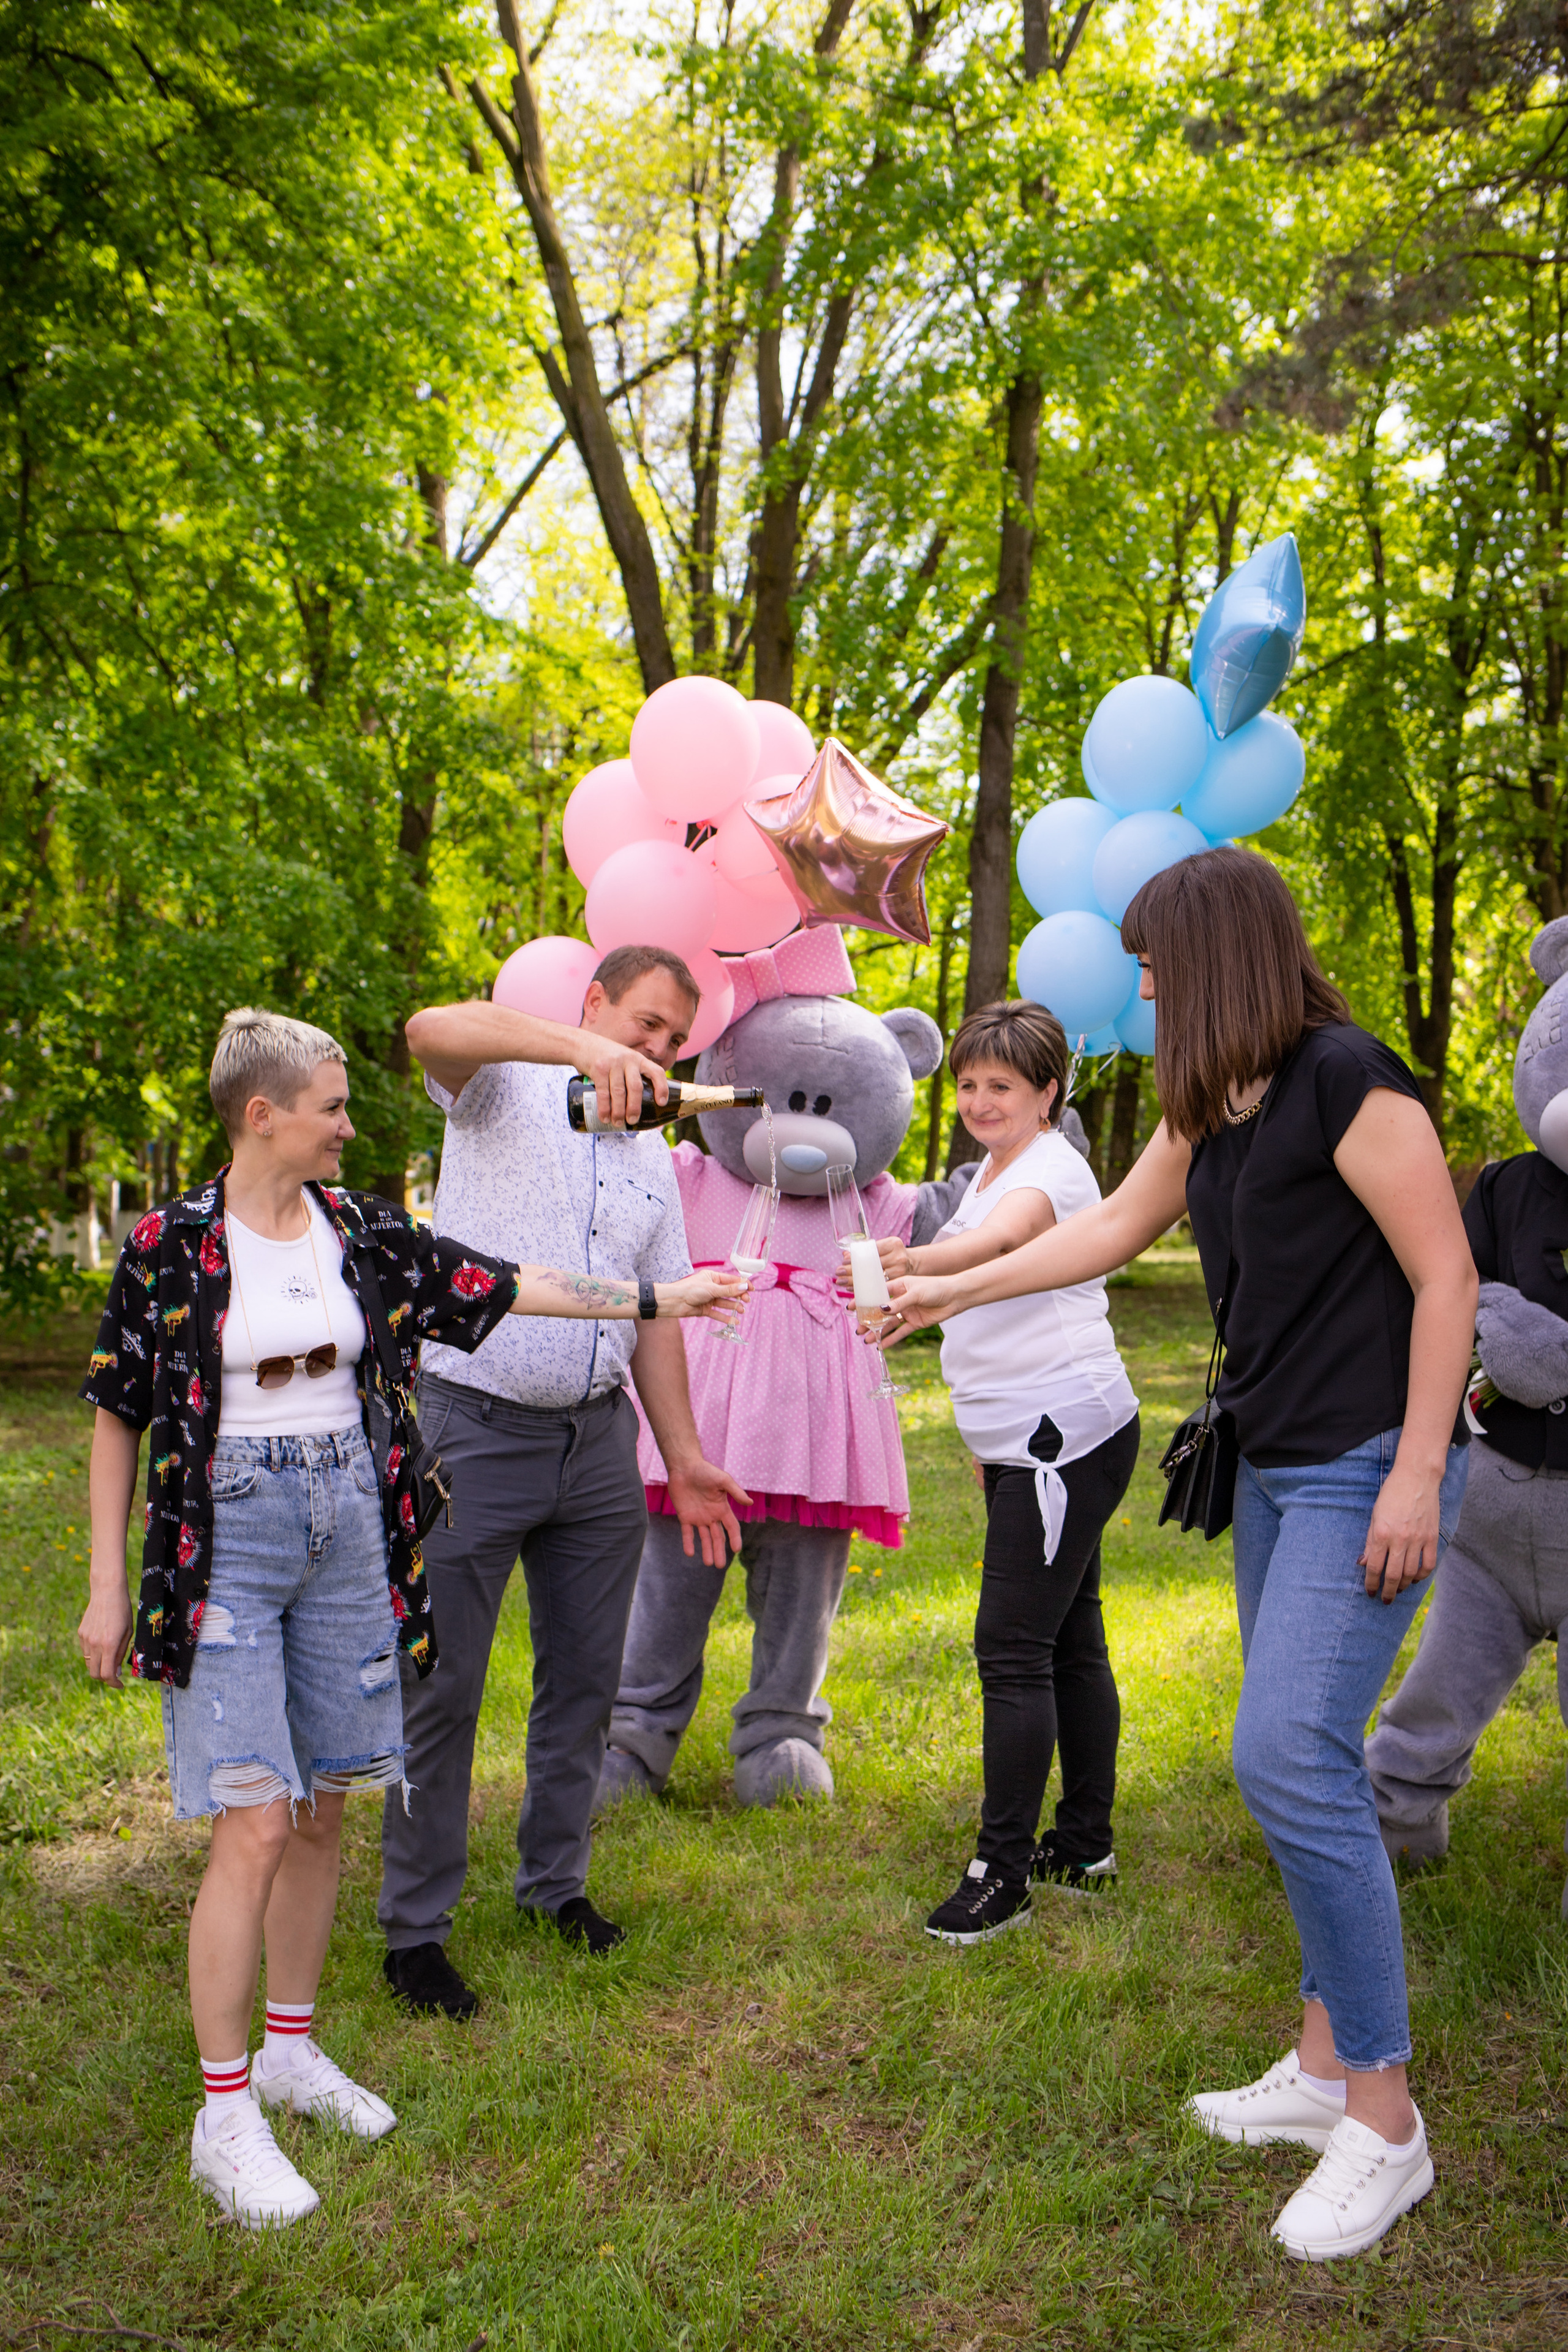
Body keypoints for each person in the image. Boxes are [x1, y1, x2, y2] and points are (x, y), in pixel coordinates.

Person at [884, 849, 1476, 2264]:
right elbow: (1099, 1231)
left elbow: (1446, 1274)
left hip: (1362, 1468)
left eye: (1153, 961)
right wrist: (942, 1282)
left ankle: (1383, 2123)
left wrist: (1409, 1475)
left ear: (1212, 956)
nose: (1139, 985)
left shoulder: (1348, 1077)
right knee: (1294, 1760)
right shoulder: (1210, 1102)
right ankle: (1324, 2063)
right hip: (1272, 1466)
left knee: (1284, 1757)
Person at [77, 1008, 741, 2232]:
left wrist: (661, 1297)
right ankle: (224, 2113)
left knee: (325, 1807)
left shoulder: (359, 1231)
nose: (350, 1122)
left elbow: (507, 1285)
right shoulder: (168, 1243)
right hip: (222, 1540)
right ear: (262, 1113)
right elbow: (120, 1407)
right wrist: (108, 1585)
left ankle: (290, 2047)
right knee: (254, 1825)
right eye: (331, 1105)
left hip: (349, 1532)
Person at [379, 944, 751, 2009]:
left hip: (596, 1446)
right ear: (592, 1006)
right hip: (469, 1430)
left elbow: (662, 1309)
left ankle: (554, 1886)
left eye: (676, 1039)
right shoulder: (501, 1087)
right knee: (442, 1688)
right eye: (644, 1024)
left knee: (585, 1683)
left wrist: (680, 1458)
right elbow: (427, 1030)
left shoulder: (653, 1157)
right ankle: (414, 1931)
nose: (662, 1051)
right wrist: (583, 1049)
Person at [873, 1001, 1139, 1943]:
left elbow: (999, 1246)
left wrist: (928, 1273)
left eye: (1004, 1087)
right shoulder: (995, 1164)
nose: (982, 1102)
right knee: (1071, 1637)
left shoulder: (1053, 1169)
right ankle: (1085, 1842)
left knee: (1014, 1648)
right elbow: (969, 1249)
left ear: (1047, 1094)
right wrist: (915, 1266)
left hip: (1059, 1439)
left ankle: (1004, 1872)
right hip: (1031, 1441)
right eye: (970, 1085)